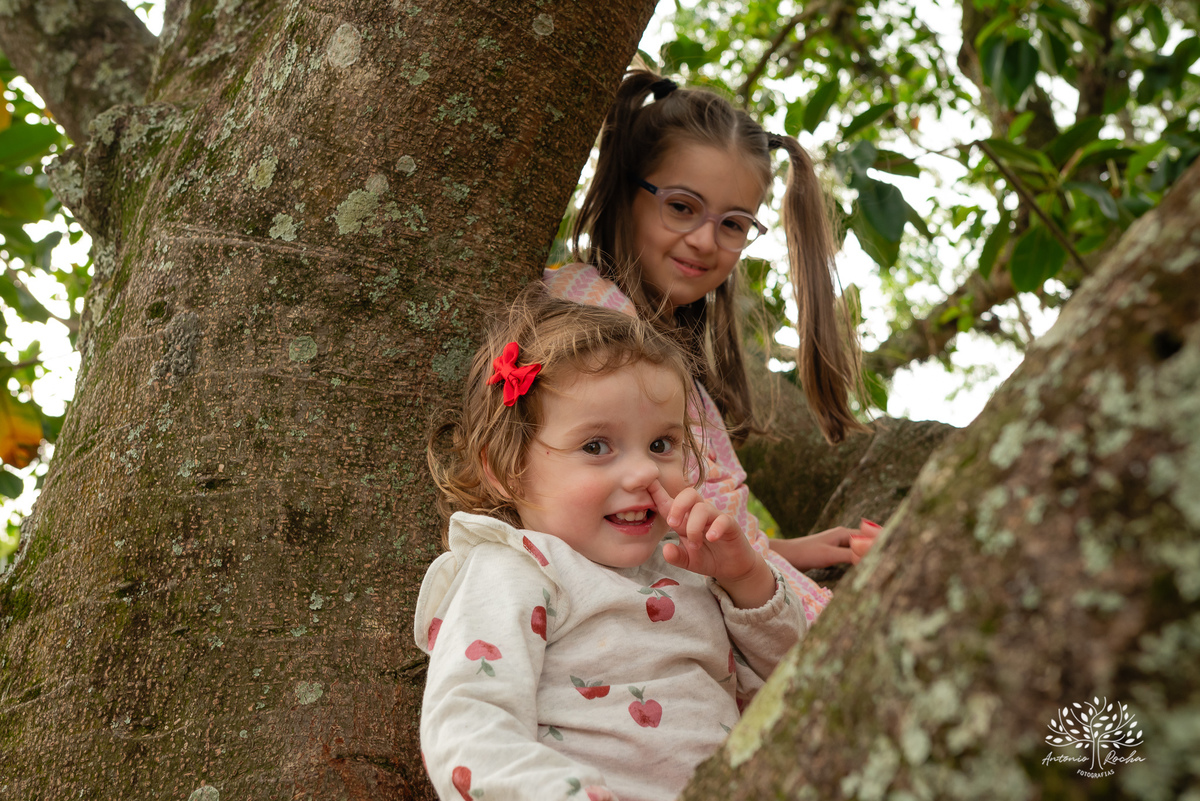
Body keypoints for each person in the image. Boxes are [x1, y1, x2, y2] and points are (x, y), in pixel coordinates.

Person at [415, 293, 806, 801]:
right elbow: (468, 725)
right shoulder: (516, 568)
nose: (645, 471)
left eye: (662, 445)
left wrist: (746, 580)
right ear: (507, 469)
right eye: (596, 446)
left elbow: (801, 679)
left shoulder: (689, 565)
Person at [545, 69, 873, 621]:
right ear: (629, 192)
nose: (705, 240)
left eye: (734, 224)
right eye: (681, 206)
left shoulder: (663, 350)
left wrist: (785, 552)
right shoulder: (587, 313)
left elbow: (686, 529)